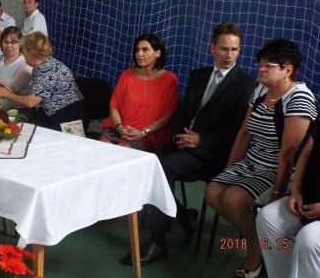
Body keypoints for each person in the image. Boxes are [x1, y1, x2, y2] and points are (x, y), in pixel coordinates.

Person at [120, 22, 255, 266]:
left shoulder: (246, 85)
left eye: (234, 49)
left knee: (163, 168)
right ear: (212, 48)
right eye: (224, 48)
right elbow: (182, 110)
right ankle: (182, 213)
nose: (229, 55)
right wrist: (180, 136)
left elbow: (237, 132)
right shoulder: (199, 75)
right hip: (183, 143)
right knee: (147, 162)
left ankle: (158, 241)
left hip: (213, 154)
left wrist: (201, 140)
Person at [205, 38, 317, 278]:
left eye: (269, 66)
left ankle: (256, 251)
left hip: (278, 171)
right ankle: (260, 243)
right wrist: (229, 170)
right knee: (213, 191)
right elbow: (244, 133)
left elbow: (289, 154)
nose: (261, 69)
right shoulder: (260, 90)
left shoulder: (299, 97)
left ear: (288, 70)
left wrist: (277, 192)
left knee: (233, 199)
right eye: (260, 64)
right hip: (252, 163)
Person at [256, 117, 320, 278]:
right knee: (267, 217)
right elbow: (307, 152)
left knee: (309, 239)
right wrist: (296, 191)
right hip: (308, 199)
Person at [0, 32, 83, 131]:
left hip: (66, 119)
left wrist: (6, 94)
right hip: (52, 113)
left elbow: (30, 102)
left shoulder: (46, 70)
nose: (22, 53)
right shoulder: (42, 63)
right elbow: (35, 96)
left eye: (23, 50)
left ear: (32, 53)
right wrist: (8, 90)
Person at [100, 33, 178, 152]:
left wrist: (143, 132)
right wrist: (119, 127)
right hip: (119, 127)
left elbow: (168, 115)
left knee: (123, 152)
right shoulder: (126, 75)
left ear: (158, 53)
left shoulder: (170, 80)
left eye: (145, 49)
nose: (139, 54)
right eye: (137, 50)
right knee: (101, 148)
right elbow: (114, 106)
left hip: (148, 134)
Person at [0, 26, 32, 104]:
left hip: (13, 108)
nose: (9, 45)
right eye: (5, 42)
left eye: (13, 42)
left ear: (20, 43)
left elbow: (9, 92)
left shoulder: (25, 64)